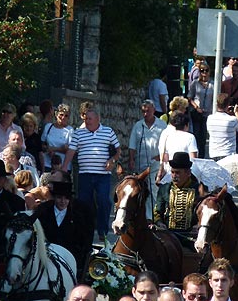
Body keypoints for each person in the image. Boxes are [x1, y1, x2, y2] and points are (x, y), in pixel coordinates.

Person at [63, 109, 120, 241]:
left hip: (103, 175)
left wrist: (112, 160)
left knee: (104, 201)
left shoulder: (108, 131)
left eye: (90, 119)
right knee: (83, 203)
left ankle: (103, 231)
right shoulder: (79, 133)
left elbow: (118, 150)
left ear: (97, 119)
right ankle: (84, 230)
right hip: (85, 174)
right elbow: (71, 151)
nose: (87, 121)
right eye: (86, 119)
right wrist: (65, 166)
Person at [34, 181, 95, 280]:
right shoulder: (43, 211)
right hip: (46, 254)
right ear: (54, 198)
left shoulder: (77, 216)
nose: (63, 201)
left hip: (69, 256)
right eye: (59, 198)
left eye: (66, 198)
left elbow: (84, 239)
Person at [128, 100, 166, 219]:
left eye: (148, 111)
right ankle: (140, 215)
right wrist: (131, 159)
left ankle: (152, 218)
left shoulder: (162, 125)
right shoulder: (138, 126)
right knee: (139, 191)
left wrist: (160, 157)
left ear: (154, 110)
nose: (145, 114)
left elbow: (166, 144)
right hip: (141, 164)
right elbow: (132, 145)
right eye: (143, 111)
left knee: (153, 190)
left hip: (155, 164)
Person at [154, 152, 201, 234]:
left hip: (190, 235)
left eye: (178, 173)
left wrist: (198, 225)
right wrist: (159, 223)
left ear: (188, 173)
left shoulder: (199, 190)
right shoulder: (164, 189)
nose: (174, 176)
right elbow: (157, 212)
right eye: (172, 172)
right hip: (169, 234)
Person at [188, 64, 215, 158]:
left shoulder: (213, 84)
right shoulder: (195, 83)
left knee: (203, 136)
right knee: (196, 135)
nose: (204, 73)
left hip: (208, 113)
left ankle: (202, 156)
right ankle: (195, 155)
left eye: (206, 70)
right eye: (202, 70)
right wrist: (196, 107)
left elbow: (215, 98)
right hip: (197, 112)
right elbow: (190, 97)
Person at [206, 94, 238, 161]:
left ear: (217, 104)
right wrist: (237, 113)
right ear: (228, 104)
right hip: (228, 154)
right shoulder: (232, 120)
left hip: (214, 154)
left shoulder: (210, 118)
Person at [41, 104, 74, 172]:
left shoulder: (70, 130)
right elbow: (42, 144)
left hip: (62, 166)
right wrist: (47, 149)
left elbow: (70, 150)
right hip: (47, 164)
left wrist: (53, 149)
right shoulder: (48, 127)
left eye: (66, 116)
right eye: (61, 115)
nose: (63, 117)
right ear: (56, 114)